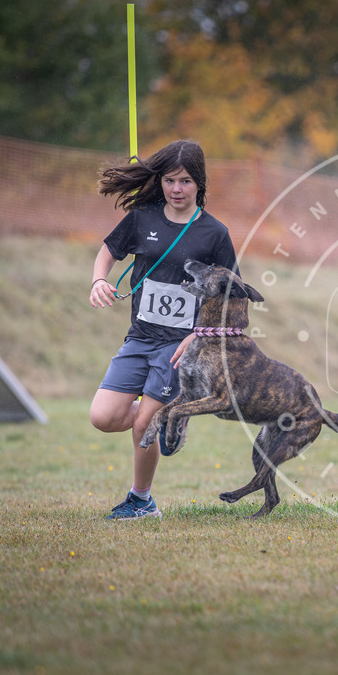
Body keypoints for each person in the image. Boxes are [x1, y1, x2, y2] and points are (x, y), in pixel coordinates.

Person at [89, 140, 239, 520]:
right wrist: (97, 281)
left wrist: (199, 334)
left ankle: (141, 501)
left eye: (186, 181)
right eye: (170, 180)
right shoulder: (143, 218)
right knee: (104, 418)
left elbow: (231, 294)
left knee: (144, 424)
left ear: (199, 185)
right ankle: (171, 413)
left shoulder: (215, 234)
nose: (176, 189)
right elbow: (108, 250)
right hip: (139, 338)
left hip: (180, 348)